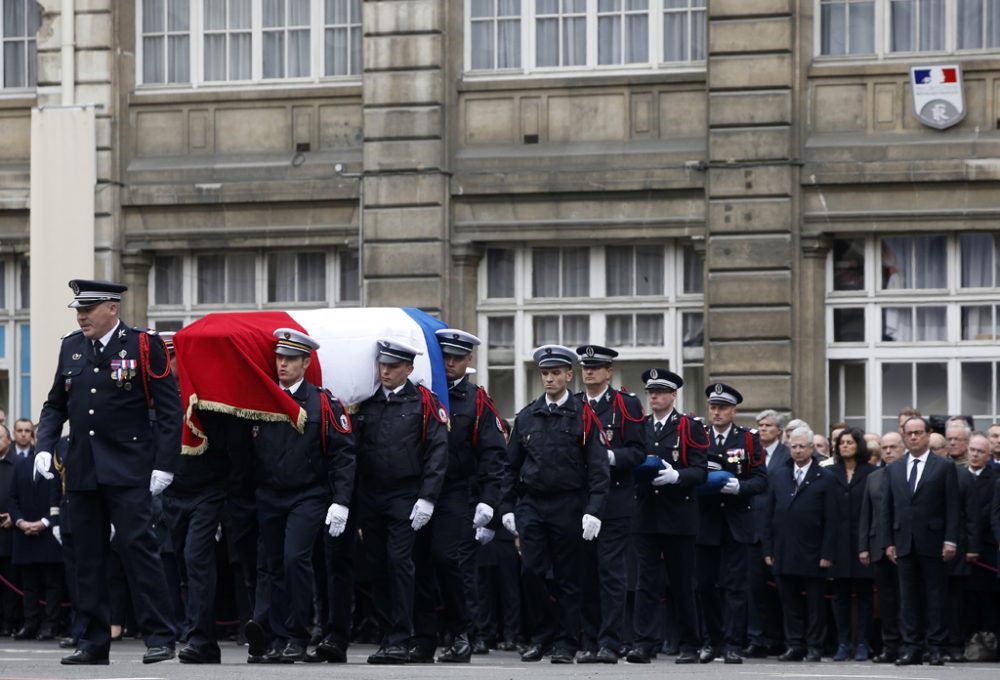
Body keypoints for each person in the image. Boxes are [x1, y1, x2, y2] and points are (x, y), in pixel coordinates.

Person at [34, 279, 182, 665]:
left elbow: (170, 411)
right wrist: (44, 447)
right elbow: (55, 405)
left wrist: (165, 464)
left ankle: (160, 636)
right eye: (78, 310)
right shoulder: (71, 346)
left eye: (88, 309)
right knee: (86, 557)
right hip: (83, 469)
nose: (81, 316)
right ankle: (92, 642)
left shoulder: (143, 346)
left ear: (112, 309)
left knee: (138, 552)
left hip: (129, 468)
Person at [242, 329, 356, 664]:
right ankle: (277, 637)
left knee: (295, 560)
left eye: (290, 359)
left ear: (306, 362)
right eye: (279, 358)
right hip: (269, 495)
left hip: (308, 494)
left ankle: (298, 633)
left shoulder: (322, 402)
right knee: (273, 566)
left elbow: (344, 454)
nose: (283, 364)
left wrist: (342, 501)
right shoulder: (261, 399)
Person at [500, 344, 610, 664]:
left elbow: (599, 467)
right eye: (545, 373)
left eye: (555, 373)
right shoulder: (527, 416)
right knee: (531, 572)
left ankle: (565, 641)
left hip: (568, 503)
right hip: (532, 503)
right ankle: (541, 636)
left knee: (568, 578)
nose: (549, 379)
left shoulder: (583, 415)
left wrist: (594, 510)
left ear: (568, 375)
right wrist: (506, 506)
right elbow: (510, 466)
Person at [408, 329, 506, 663]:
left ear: (469, 361)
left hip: (455, 491)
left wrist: (488, 501)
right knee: (419, 561)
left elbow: (494, 456)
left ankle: (461, 632)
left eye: (457, 358)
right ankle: (423, 638)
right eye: (445, 356)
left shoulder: (477, 401)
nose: (450, 363)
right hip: (420, 489)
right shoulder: (424, 395)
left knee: (446, 559)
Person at [354, 339, 448, 665]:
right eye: (382, 365)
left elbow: (437, 452)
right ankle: (386, 635)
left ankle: (401, 637)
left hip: (405, 495)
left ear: (409, 368)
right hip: (371, 496)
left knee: (400, 563)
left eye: (393, 366)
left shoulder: (423, 402)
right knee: (377, 566)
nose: (386, 371)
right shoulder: (366, 402)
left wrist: (427, 497)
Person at [158, 332, 233, 664]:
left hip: (207, 491)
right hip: (174, 494)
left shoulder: (202, 395)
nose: (167, 365)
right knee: (186, 567)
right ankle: (196, 634)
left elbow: (227, 448)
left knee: (197, 561)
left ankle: (202, 639)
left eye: (171, 357)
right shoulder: (158, 398)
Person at [626, 368, 707, 665]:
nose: (654, 396)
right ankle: (644, 643)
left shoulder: (688, 427)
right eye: (651, 392)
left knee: (682, 582)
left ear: (674, 395)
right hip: (646, 513)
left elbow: (700, 471)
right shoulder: (640, 427)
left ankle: (688, 643)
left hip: (678, 515)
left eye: (660, 391)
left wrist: (677, 476)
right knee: (646, 582)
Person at [574, 345, 645, 664]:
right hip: (581, 499)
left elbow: (638, 452)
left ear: (609, 372)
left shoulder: (625, 405)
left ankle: (610, 641)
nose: (589, 371)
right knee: (585, 572)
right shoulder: (574, 405)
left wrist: (609, 457)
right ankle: (589, 639)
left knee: (611, 572)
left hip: (615, 500)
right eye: (585, 367)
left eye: (596, 367)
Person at [695, 383, 767, 664]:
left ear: (733, 410)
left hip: (737, 520)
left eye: (722, 408)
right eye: (713, 407)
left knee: (735, 587)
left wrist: (740, 486)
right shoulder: (699, 436)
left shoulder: (748, 439)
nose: (716, 412)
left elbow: (761, 479)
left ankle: (733, 644)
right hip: (706, 521)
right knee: (705, 585)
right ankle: (711, 641)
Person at [880, 416, 960, 666]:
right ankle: (911, 647)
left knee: (935, 597)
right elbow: (887, 508)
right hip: (903, 542)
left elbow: (952, 507)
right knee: (907, 598)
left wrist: (950, 540)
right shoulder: (894, 468)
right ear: (904, 436)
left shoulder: (944, 466)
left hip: (934, 541)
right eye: (909, 433)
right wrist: (888, 542)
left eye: (918, 432)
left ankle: (936, 647)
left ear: (928, 435)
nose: (913, 437)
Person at [764, 425, 837, 663]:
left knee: (815, 604)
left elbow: (831, 519)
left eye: (801, 446)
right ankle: (794, 644)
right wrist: (768, 549)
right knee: (789, 601)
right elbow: (769, 514)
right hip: (784, 549)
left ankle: (815, 645)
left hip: (813, 550)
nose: (797, 451)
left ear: (811, 449)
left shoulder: (825, 477)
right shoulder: (779, 474)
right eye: (793, 446)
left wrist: (827, 552)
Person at [827, 428, 876, 661]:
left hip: (862, 542)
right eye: (841, 442)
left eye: (850, 442)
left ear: (859, 445)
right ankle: (844, 642)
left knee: (865, 595)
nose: (845, 445)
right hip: (837, 543)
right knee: (840, 595)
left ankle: (863, 643)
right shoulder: (828, 473)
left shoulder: (872, 473)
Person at [745, 409, 789, 658]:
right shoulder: (751, 453)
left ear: (779, 431)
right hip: (754, 530)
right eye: (760, 425)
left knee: (783, 591)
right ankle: (757, 638)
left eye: (768, 425)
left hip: (779, 531)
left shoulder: (787, 455)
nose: (762, 429)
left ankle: (783, 637)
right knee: (755, 590)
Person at [9, 441, 63, 640]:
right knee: (29, 584)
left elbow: (61, 496)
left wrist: (45, 522)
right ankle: (30, 622)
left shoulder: (59, 465)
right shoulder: (21, 465)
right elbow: (12, 498)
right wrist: (21, 522)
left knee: (52, 583)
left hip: (49, 533)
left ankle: (50, 624)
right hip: (25, 534)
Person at [859, 432, 904, 662]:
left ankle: (911, 644)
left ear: (903, 448)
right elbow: (866, 514)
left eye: (893, 447)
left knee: (908, 599)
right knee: (885, 601)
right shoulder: (874, 477)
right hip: (877, 546)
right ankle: (890, 646)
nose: (888, 451)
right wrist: (863, 546)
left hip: (906, 545)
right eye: (884, 447)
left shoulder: (910, 474)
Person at [963, 433, 998, 648]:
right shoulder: (957, 475)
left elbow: (989, 513)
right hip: (959, 546)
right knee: (963, 598)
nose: (975, 455)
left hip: (985, 549)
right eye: (972, 450)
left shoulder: (994, 480)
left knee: (987, 598)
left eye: (980, 452)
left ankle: (989, 642)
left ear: (988, 456)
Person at [0, 424, 22, 636]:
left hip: (9, 532)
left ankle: (8, 622)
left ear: (8, 440)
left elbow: (20, 497)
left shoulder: (18, 464)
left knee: (11, 582)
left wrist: (13, 517)